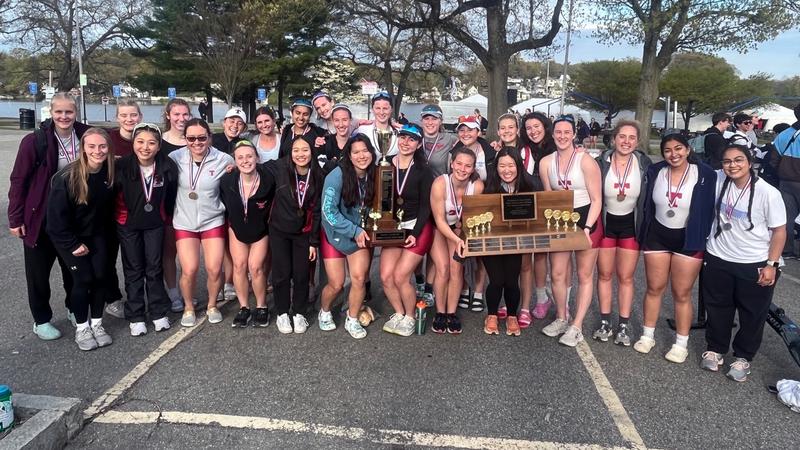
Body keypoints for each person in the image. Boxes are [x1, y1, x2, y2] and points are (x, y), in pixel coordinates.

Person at [700, 144, 786, 382]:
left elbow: (779, 231)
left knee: (752, 313)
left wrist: (772, 264)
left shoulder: (768, 193)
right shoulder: (718, 179)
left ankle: (742, 357)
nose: (732, 165)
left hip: (754, 260)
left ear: (750, 162)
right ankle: (716, 349)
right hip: (718, 255)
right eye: (727, 161)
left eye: (738, 160)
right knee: (717, 306)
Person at [8, 93, 90, 340]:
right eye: (59, 112)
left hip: (73, 216)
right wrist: (15, 218)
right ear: (51, 113)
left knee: (73, 269)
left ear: (76, 112)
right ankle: (41, 319)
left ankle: (74, 308)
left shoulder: (85, 135)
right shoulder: (35, 141)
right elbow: (19, 180)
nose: (64, 117)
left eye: (69, 112)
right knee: (38, 274)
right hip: (40, 217)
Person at [634, 133, 716, 363]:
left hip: (689, 239)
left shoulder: (705, 174)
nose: (674, 154)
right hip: (657, 237)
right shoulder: (655, 171)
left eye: (678, 148)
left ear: (688, 150)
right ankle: (647, 335)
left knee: (681, 293)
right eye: (668, 150)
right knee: (654, 288)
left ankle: (681, 344)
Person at [46, 128, 116, 350]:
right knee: (83, 279)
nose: (98, 151)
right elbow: (55, 221)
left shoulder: (110, 172)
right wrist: (73, 244)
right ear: (83, 148)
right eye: (92, 146)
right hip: (70, 238)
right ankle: (82, 327)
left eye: (102, 146)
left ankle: (97, 324)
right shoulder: (67, 177)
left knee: (101, 277)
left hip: (98, 235)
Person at [539, 114, 603, 347]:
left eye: (567, 132)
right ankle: (561, 317)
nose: (562, 136)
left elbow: (597, 199)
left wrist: (587, 227)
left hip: (587, 219)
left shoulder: (586, 161)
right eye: (558, 132)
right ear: (552, 134)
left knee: (584, 275)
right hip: (562, 220)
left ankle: (577, 325)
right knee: (557, 273)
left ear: (574, 134)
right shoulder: (546, 162)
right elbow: (549, 199)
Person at [168, 118, 235, 327]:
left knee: (214, 268)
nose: (196, 142)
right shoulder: (175, 157)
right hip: (184, 221)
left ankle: (212, 305)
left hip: (212, 220)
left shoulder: (223, 159)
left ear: (209, 137)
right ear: (185, 139)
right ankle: (188, 307)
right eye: (191, 138)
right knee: (189, 269)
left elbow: (239, 175)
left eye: (201, 138)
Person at [114, 123, 178, 336]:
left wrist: (166, 219)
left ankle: (158, 311)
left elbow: (171, 197)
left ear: (159, 146)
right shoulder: (121, 166)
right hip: (128, 225)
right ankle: (136, 315)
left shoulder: (167, 166)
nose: (145, 147)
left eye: (151, 143)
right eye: (140, 142)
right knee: (133, 269)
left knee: (154, 268)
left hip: (155, 224)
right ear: (133, 143)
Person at [594, 120, 652, 346]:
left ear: (637, 141)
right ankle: (605, 321)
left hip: (630, 225)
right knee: (604, 275)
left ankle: (624, 324)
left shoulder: (644, 163)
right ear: (614, 138)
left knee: (626, 277)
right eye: (622, 136)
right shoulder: (601, 162)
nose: (626, 142)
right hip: (607, 224)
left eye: (631, 138)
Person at [380, 123, 435, 336]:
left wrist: (415, 233)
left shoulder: (423, 170)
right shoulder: (385, 163)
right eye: (403, 137)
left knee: (401, 276)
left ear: (419, 144)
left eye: (412, 139)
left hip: (416, 226)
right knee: (386, 276)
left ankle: (411, 316)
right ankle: (399, 312)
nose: (406, 142)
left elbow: (425, 207)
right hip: (394, 227)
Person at [319, 134, 376, 338]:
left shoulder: (376, 173)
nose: (362, 156)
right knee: (336, 284)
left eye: (365, 151)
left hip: (358, 235)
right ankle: (325, 311)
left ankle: (352, 319)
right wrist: (354, 230)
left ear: (372, 153)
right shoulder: (336, 176)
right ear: (349, 156)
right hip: (335, 232)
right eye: (356, 152)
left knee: (359, 278)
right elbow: (328, 211)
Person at [264, 136, 322, 334]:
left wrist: (314, 241)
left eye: (305, 149)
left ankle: (299, 313)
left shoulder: (318, 174)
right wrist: (233, 167)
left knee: (301, 274)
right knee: (281, 274)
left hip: (303, 233)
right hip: (279, 230)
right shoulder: (279, 168)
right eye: (296, 150)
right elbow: (255, 167)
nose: (300, 154)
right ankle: (282, 312)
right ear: (290, 152)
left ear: (312, 151)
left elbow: (317, 211)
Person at [481, 148, 541, 335]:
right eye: (502, 166)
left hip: (516, 241)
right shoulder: (488, 186)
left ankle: (512, 315)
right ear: (496, 167)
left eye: (511, 165)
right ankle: (491, 314)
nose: (506, 170)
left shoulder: (529, 185)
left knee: (511, 281)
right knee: (496, 280)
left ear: (518, 166)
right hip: (490, 241)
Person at [429, 147, 484, 334]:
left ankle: (451, 313)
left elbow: (472, 218)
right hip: (439, 228)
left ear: (473, 168)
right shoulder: (440, 183)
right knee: (443, 268)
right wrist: (456, 239)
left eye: (468, 166)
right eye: (459, 163)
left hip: (459, 228)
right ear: (451, 164)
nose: (462, 169)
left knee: (456, 268)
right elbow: (439, 220)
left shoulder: (477, 187)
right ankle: (440, 312)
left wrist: (462, 237)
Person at [219, 141, 272, 328]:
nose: (245, 161)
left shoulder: (268, 178)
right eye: (240, 157)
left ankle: (261, 306)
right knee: (239, 266)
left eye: (249, 156)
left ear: (257, 157)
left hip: (260, 230)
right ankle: (244, 307)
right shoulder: (227, 181)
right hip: (237, 229)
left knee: (255, 267)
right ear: (234, 160)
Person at [103, 99, 143, 320]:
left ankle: (138, 297)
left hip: (134, 210)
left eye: (133, 115)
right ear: (117, 117)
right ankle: (112, 299)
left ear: (140, 117)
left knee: (134, 259)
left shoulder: (144, 139)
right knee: (108, 257)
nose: (129, 119)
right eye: (124, 115)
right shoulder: (108, 140)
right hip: (108, 207)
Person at [453, 115, 496, 312]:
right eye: (462, 130)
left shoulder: (489, 151)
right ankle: (463, 288)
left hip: (484, 205)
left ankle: (478, 291)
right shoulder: (454, 151)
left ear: (478, 132)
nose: (466, 133)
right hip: (460, 206)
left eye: (470, 130)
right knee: (462, 248)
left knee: (479, 250)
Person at [518, 112, 556, 322]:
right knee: (524, 256)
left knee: (541, 255)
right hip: (525, 205)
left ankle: (543, 299)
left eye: (536, 126)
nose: (533, 131)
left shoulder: (557, 147)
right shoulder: (523, 149)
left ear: (545, 126)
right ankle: (520, 301)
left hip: (547, 205)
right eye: (529, 128)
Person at [160, 98, 192, 309]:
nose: (181, 118)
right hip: (168, 204)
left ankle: (187, 290)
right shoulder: (160, 142)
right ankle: (173, 293)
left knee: (189, 257)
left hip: (191, 206)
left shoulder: (196, 138)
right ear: (168, 116)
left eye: (185, 114)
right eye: (177, 114)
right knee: (169, 251)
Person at [775, 103, 800, 259]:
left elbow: (773, 158)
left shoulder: (785, 134)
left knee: (787, 217)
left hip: (785, 180)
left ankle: (787, 250)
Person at [357, 92, 399, 164]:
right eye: (378, 108)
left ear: (391, 109)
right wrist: (357, 122)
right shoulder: (362, 131)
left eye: (385, 108)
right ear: (372, 109)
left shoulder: (399, 133)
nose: (381, 112)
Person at [419, 104, 458, 177]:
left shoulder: (449, 139)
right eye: (426, 118)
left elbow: (468, 143)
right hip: (417, 183)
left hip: (440, 183)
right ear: (421, 121)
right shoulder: (415, 137)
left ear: (441, 121)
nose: (430, 122)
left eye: (434, 119)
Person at [319, 104, 353, 174]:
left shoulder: (356, 143)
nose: (341, 125)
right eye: (337, 120)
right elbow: (321, 169)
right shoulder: (325, 142)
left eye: (345, 120)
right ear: (333, 121)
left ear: (350, 120)